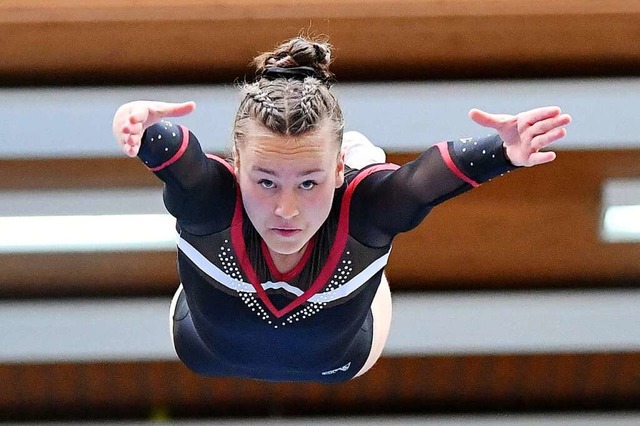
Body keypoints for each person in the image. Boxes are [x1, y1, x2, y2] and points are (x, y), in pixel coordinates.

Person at [112, 37, 571, 383]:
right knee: (364, 214)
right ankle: (345, 172)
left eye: (308, 182)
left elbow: (421, 181)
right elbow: (176, 157)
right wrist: (138, 127)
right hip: (202, 347)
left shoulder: (365, 209)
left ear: (335, 170)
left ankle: (356, 166)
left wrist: (503, 151)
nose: (285, 210)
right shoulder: (212, 198)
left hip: (344, 356)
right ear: (236, 165)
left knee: (378, 205)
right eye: (265, 181)